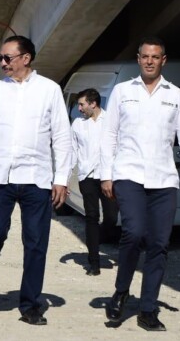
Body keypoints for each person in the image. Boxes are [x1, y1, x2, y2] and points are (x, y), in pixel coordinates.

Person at [0, 35, 71, 325]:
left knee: (36, 243)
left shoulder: (49, 90)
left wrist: (60, 178)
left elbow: (62, 137)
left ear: (25, 58)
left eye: (7, 58)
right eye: (0, 58)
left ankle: (30, 305)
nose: (2, 63)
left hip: (37, 179)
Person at [101, 37, 180, 331]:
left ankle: (148, 309)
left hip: (164, 179)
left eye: (155, 57)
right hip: (129, 175)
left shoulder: (176, 96)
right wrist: (106, 174)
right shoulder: (122, 92)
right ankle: (121, 291)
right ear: (138, 59)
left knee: (159, 243)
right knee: (132, 233)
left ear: (163, 61)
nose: (149, 61)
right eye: (144, 56)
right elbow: (108, 135)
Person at [70, 88, 118, 277]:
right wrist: (64, 179)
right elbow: (72, 151)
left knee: (112, 217)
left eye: (82, 104)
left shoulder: (111, 122)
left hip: (108, 177)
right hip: (87, 177)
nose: (79, 108)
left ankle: (100, 237)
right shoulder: (77, 125)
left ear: (93, 103)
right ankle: (94, 262)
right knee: (91, 217)